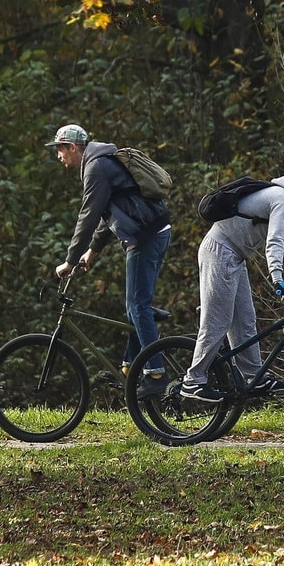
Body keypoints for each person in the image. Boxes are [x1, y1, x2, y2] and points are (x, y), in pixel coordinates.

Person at [179, 159, 284, 403]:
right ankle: (193, 381)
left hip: (233, 256)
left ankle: (254, 376)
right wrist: (277, 279)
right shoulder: (282, 200)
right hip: (219, 252)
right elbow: (274, 242)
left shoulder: (281, 199)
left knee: (245, 322)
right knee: (217, 321)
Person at [48, 123, 172, 393]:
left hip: (145, 237)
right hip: (151, 232)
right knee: (136, 306)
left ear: (72, 147)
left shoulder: (96, 167)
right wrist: (93, 250)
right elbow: (112, 211)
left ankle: (156, 375)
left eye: (59, 149)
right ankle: (130, 366)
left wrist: (71, 260)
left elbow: (89, 215)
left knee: (137, 306)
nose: (58, 156)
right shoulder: (100, 162)